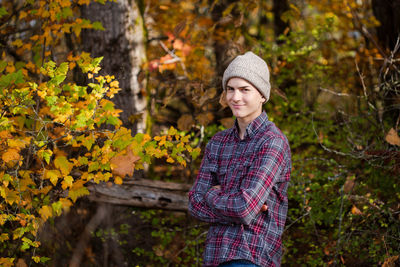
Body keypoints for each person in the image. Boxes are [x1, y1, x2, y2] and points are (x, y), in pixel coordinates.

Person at [188, 51, 292, 267]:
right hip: (215, 255)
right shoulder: (218, 143)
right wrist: (234, 205)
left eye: (245, 90)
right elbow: (194, 203)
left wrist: (211, 195)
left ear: (262, 95)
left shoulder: (272, 142)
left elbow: (244, 208)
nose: (235, 97)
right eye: (230, 89)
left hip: (251, 256)